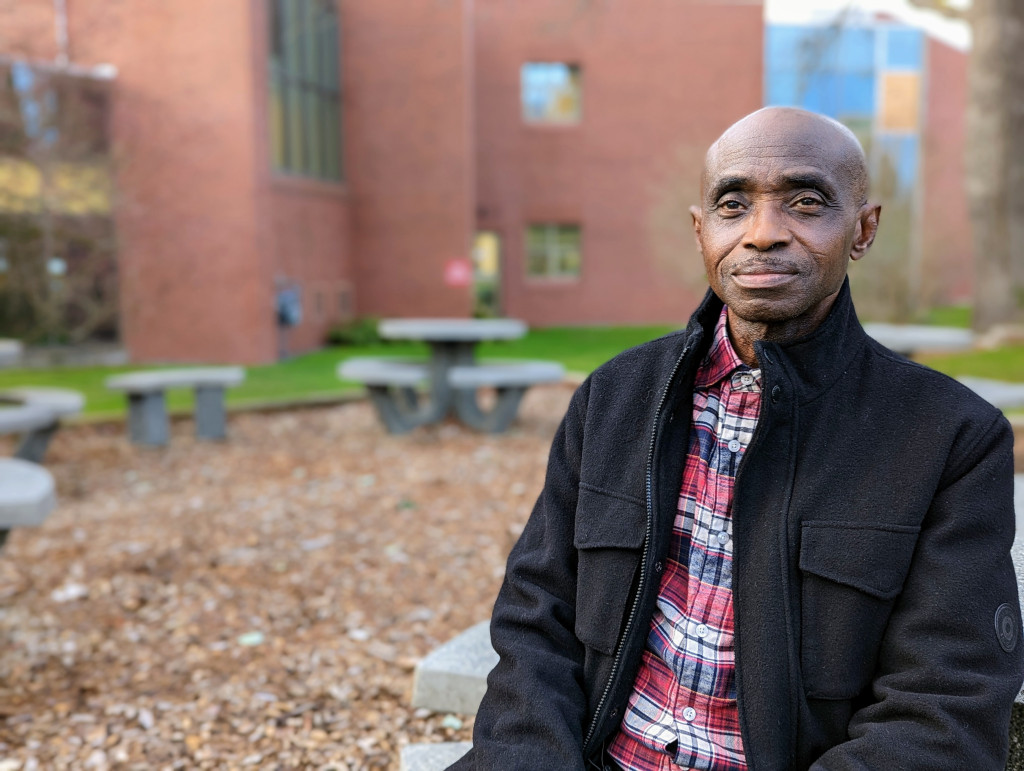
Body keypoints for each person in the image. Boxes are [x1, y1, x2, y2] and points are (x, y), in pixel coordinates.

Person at [450, 107, 1024, 770]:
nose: (762, 234)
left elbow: (940, 713)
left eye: (806, 203)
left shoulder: (950, 441)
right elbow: (534, 621)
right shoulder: (613, 398)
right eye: (733, 204)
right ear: (701, 231)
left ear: (863, 229)